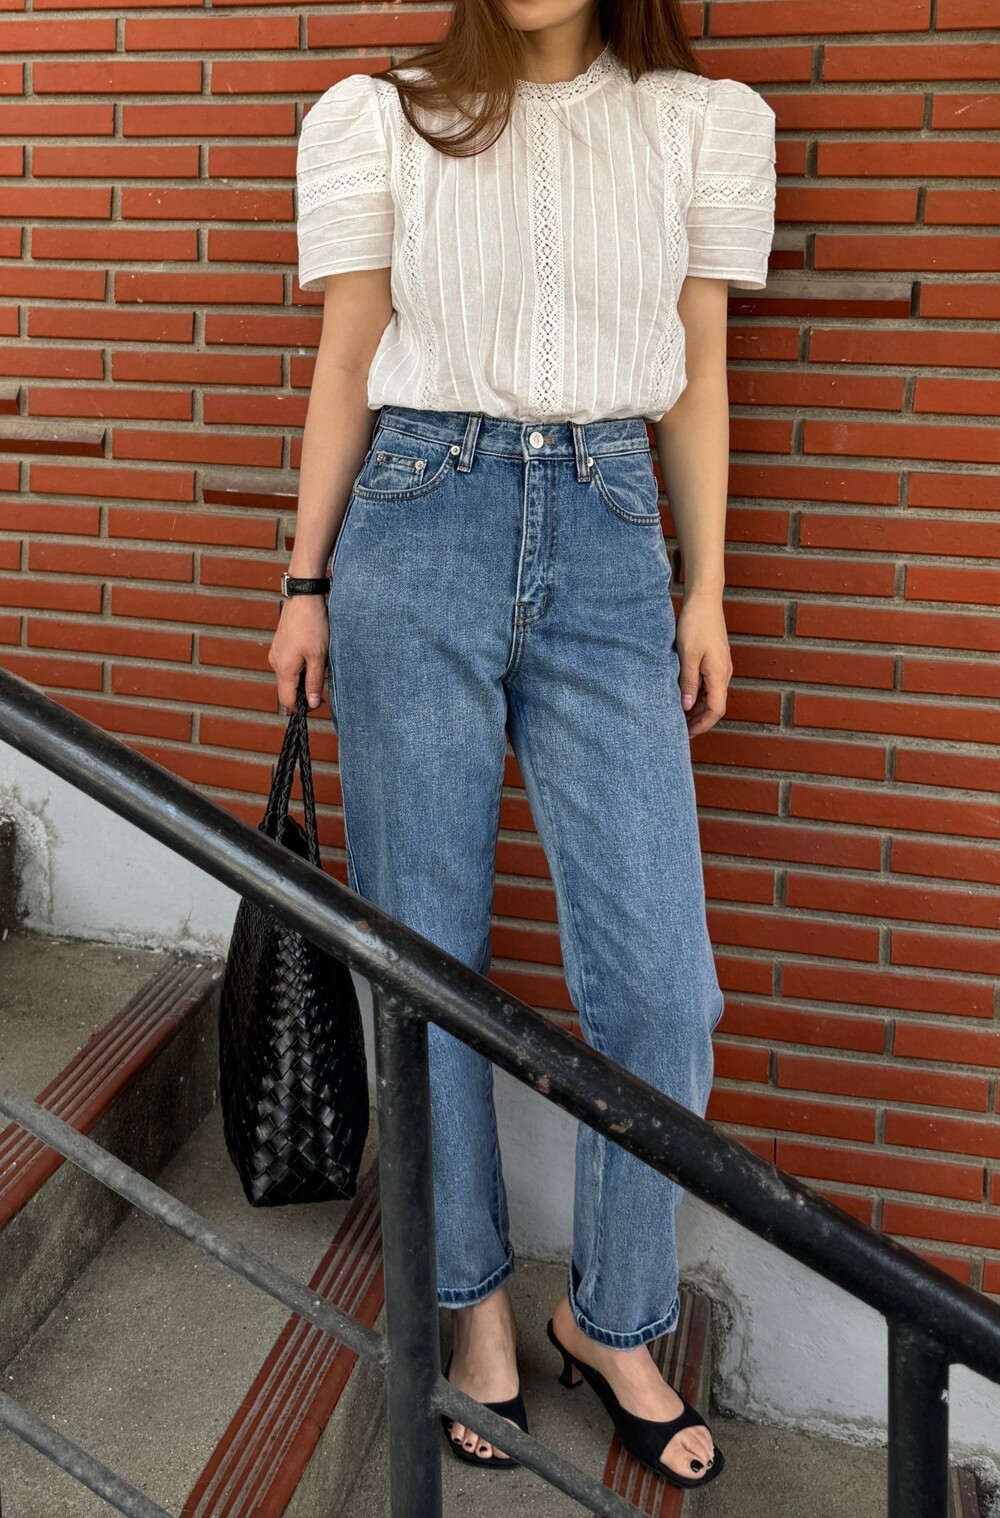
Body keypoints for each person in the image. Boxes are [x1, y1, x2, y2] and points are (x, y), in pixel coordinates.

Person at [270, 0, 776, 1491]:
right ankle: (473, 1305)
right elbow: (348, 352)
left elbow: (701, 366)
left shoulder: (695, 124)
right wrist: (304, 579)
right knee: (425, 949)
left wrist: (706, 584)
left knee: (664, 986)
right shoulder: (388, 113)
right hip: (417, 520)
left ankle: (613, 1319)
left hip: (611, 533)